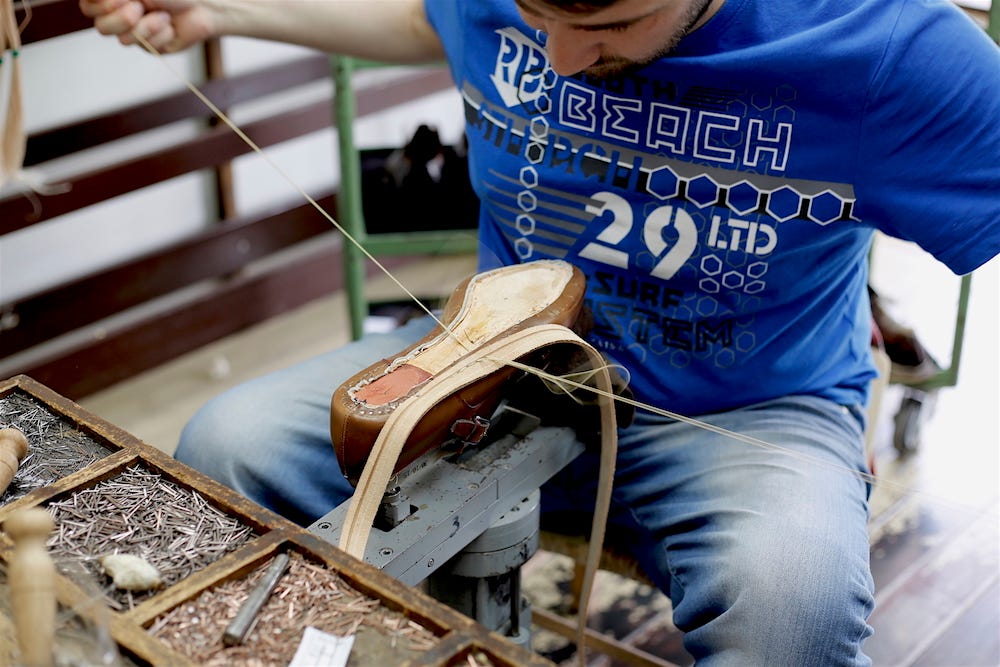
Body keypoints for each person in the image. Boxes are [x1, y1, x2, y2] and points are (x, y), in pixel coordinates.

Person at [81, 0, 1000, 663]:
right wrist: (219, 9)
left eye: (608, 25)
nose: (557, 56)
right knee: (224, 446)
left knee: (790, 611)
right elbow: (426, 16)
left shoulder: (890, 47)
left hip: (749, 411)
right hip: (497, 366)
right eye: (535, 13)